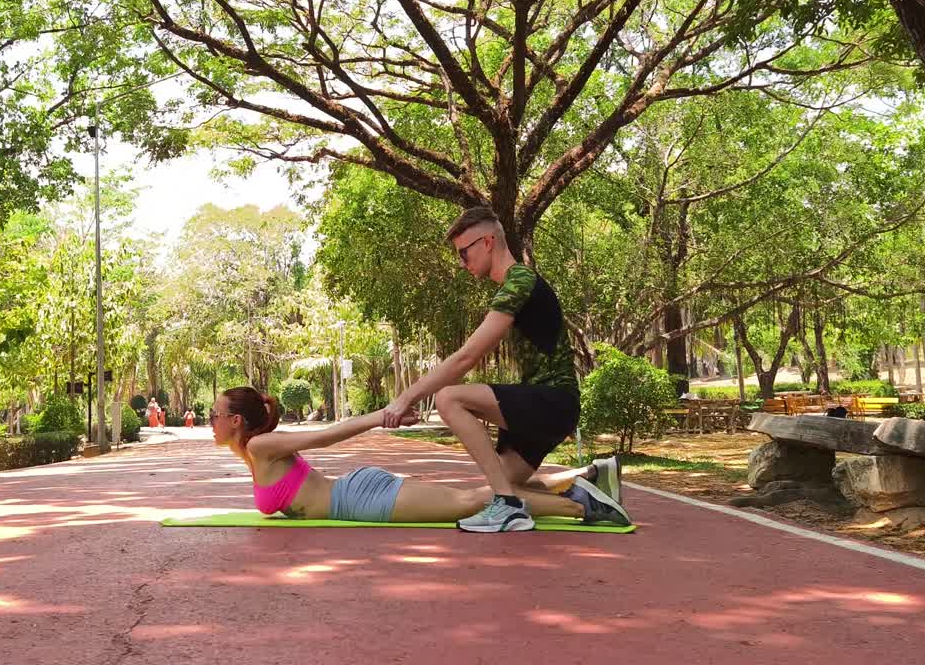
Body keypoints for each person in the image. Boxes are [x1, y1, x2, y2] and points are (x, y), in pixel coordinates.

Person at [382, 206, 628, 532]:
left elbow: (465, 358)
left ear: (487, 242)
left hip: (553, 402)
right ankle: (589, 488)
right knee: (494, 488)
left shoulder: (521, 280)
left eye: (464, 253)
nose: (461, 263)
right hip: (547, 407)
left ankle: (509, 508)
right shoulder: (513, 285)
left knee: (449, 399)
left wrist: (406, 398)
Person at [211, 386, 626, 526]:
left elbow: (326, 437)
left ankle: (583, 506)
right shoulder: (250, 451)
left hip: (360, 500)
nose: (210, 421)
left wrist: (381, 417)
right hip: (355, 495)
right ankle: (585, 476)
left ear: (234, 421)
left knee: (472, 502)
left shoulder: (261, 446)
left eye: (214, 415)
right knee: (480, 492)